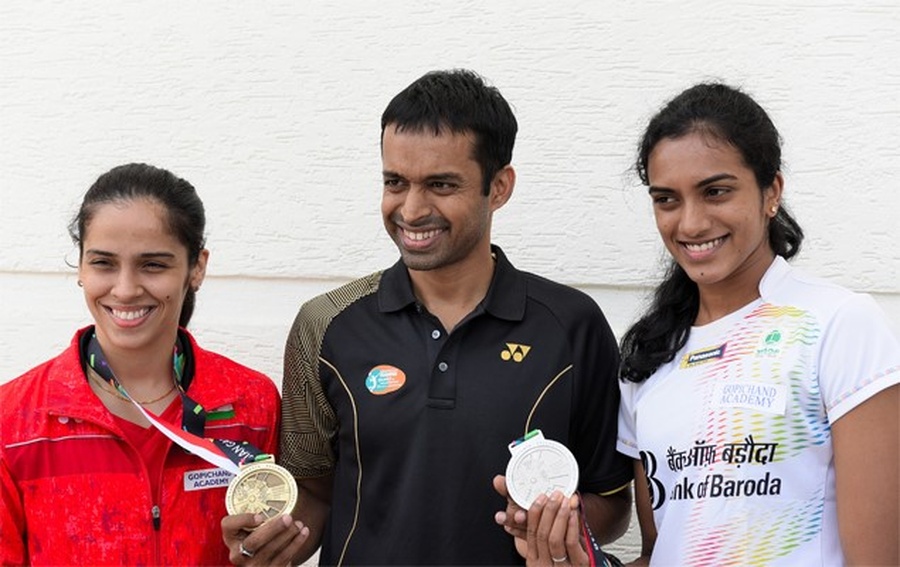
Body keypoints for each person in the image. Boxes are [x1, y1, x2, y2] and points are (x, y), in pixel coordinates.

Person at [221, 69, 632, 565]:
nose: (412, 210)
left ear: (499, 187)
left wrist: (556, 526)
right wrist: (267, 541)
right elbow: (315, 494)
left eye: (440, 185)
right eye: (395, 182)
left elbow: (611, 504)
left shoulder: (572, 325)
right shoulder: (325, 323)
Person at [528, 82, 900, 566]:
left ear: (772, 192)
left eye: (716, 192)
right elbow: (662, 554)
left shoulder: (840, 325)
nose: (691, 224)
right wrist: (569, 555)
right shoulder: (650, 356)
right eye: (667, 200)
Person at [0, 163, 281, 565]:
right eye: (103, 263)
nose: (126, 289)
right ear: (80, 266)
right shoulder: (14, 421)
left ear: (196, 267)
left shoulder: (252, 405)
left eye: (153, 265)